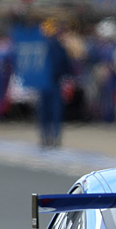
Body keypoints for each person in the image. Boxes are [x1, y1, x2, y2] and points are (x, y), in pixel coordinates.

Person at [37, 18, 72, 148]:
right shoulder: (44, 46)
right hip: (46, 82)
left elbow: (65, 65)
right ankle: (46, 136)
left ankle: (53, 137)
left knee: (54, 112)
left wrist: (66, 77)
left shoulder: (58, 46)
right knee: (45, 112)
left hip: (54, 82)